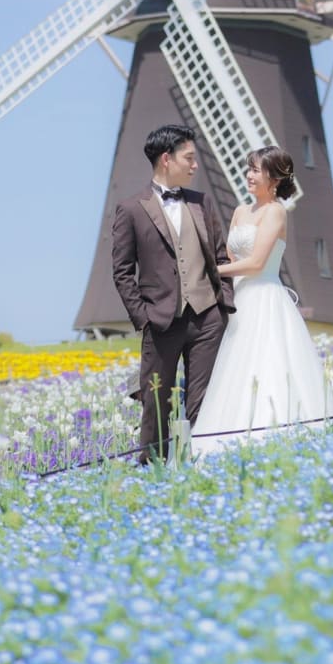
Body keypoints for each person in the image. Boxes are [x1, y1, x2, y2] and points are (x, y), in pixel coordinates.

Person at [191, 146, 333, 454]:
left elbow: (256, 263)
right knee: (234, 369)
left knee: (267, 363)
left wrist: (209, 270)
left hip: (265, 299)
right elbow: (231, 258)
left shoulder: (276, 212)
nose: (249, 175)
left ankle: (273, 438)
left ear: (274, 177)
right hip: (240, 299)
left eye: (256, 170)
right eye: (248, 169)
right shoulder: (241, 212)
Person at [111, 124, 235, 463]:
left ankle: (202, 464)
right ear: (167, 159)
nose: (195, 166)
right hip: (161, 321)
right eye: (189, 158)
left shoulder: (202, 203)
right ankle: (152, 470)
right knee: (156, 401)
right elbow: (122, 272)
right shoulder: (131, 209)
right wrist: (144, 317)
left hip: (208, 316)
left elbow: (221, 257)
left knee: (204, 399)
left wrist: (221, 303)